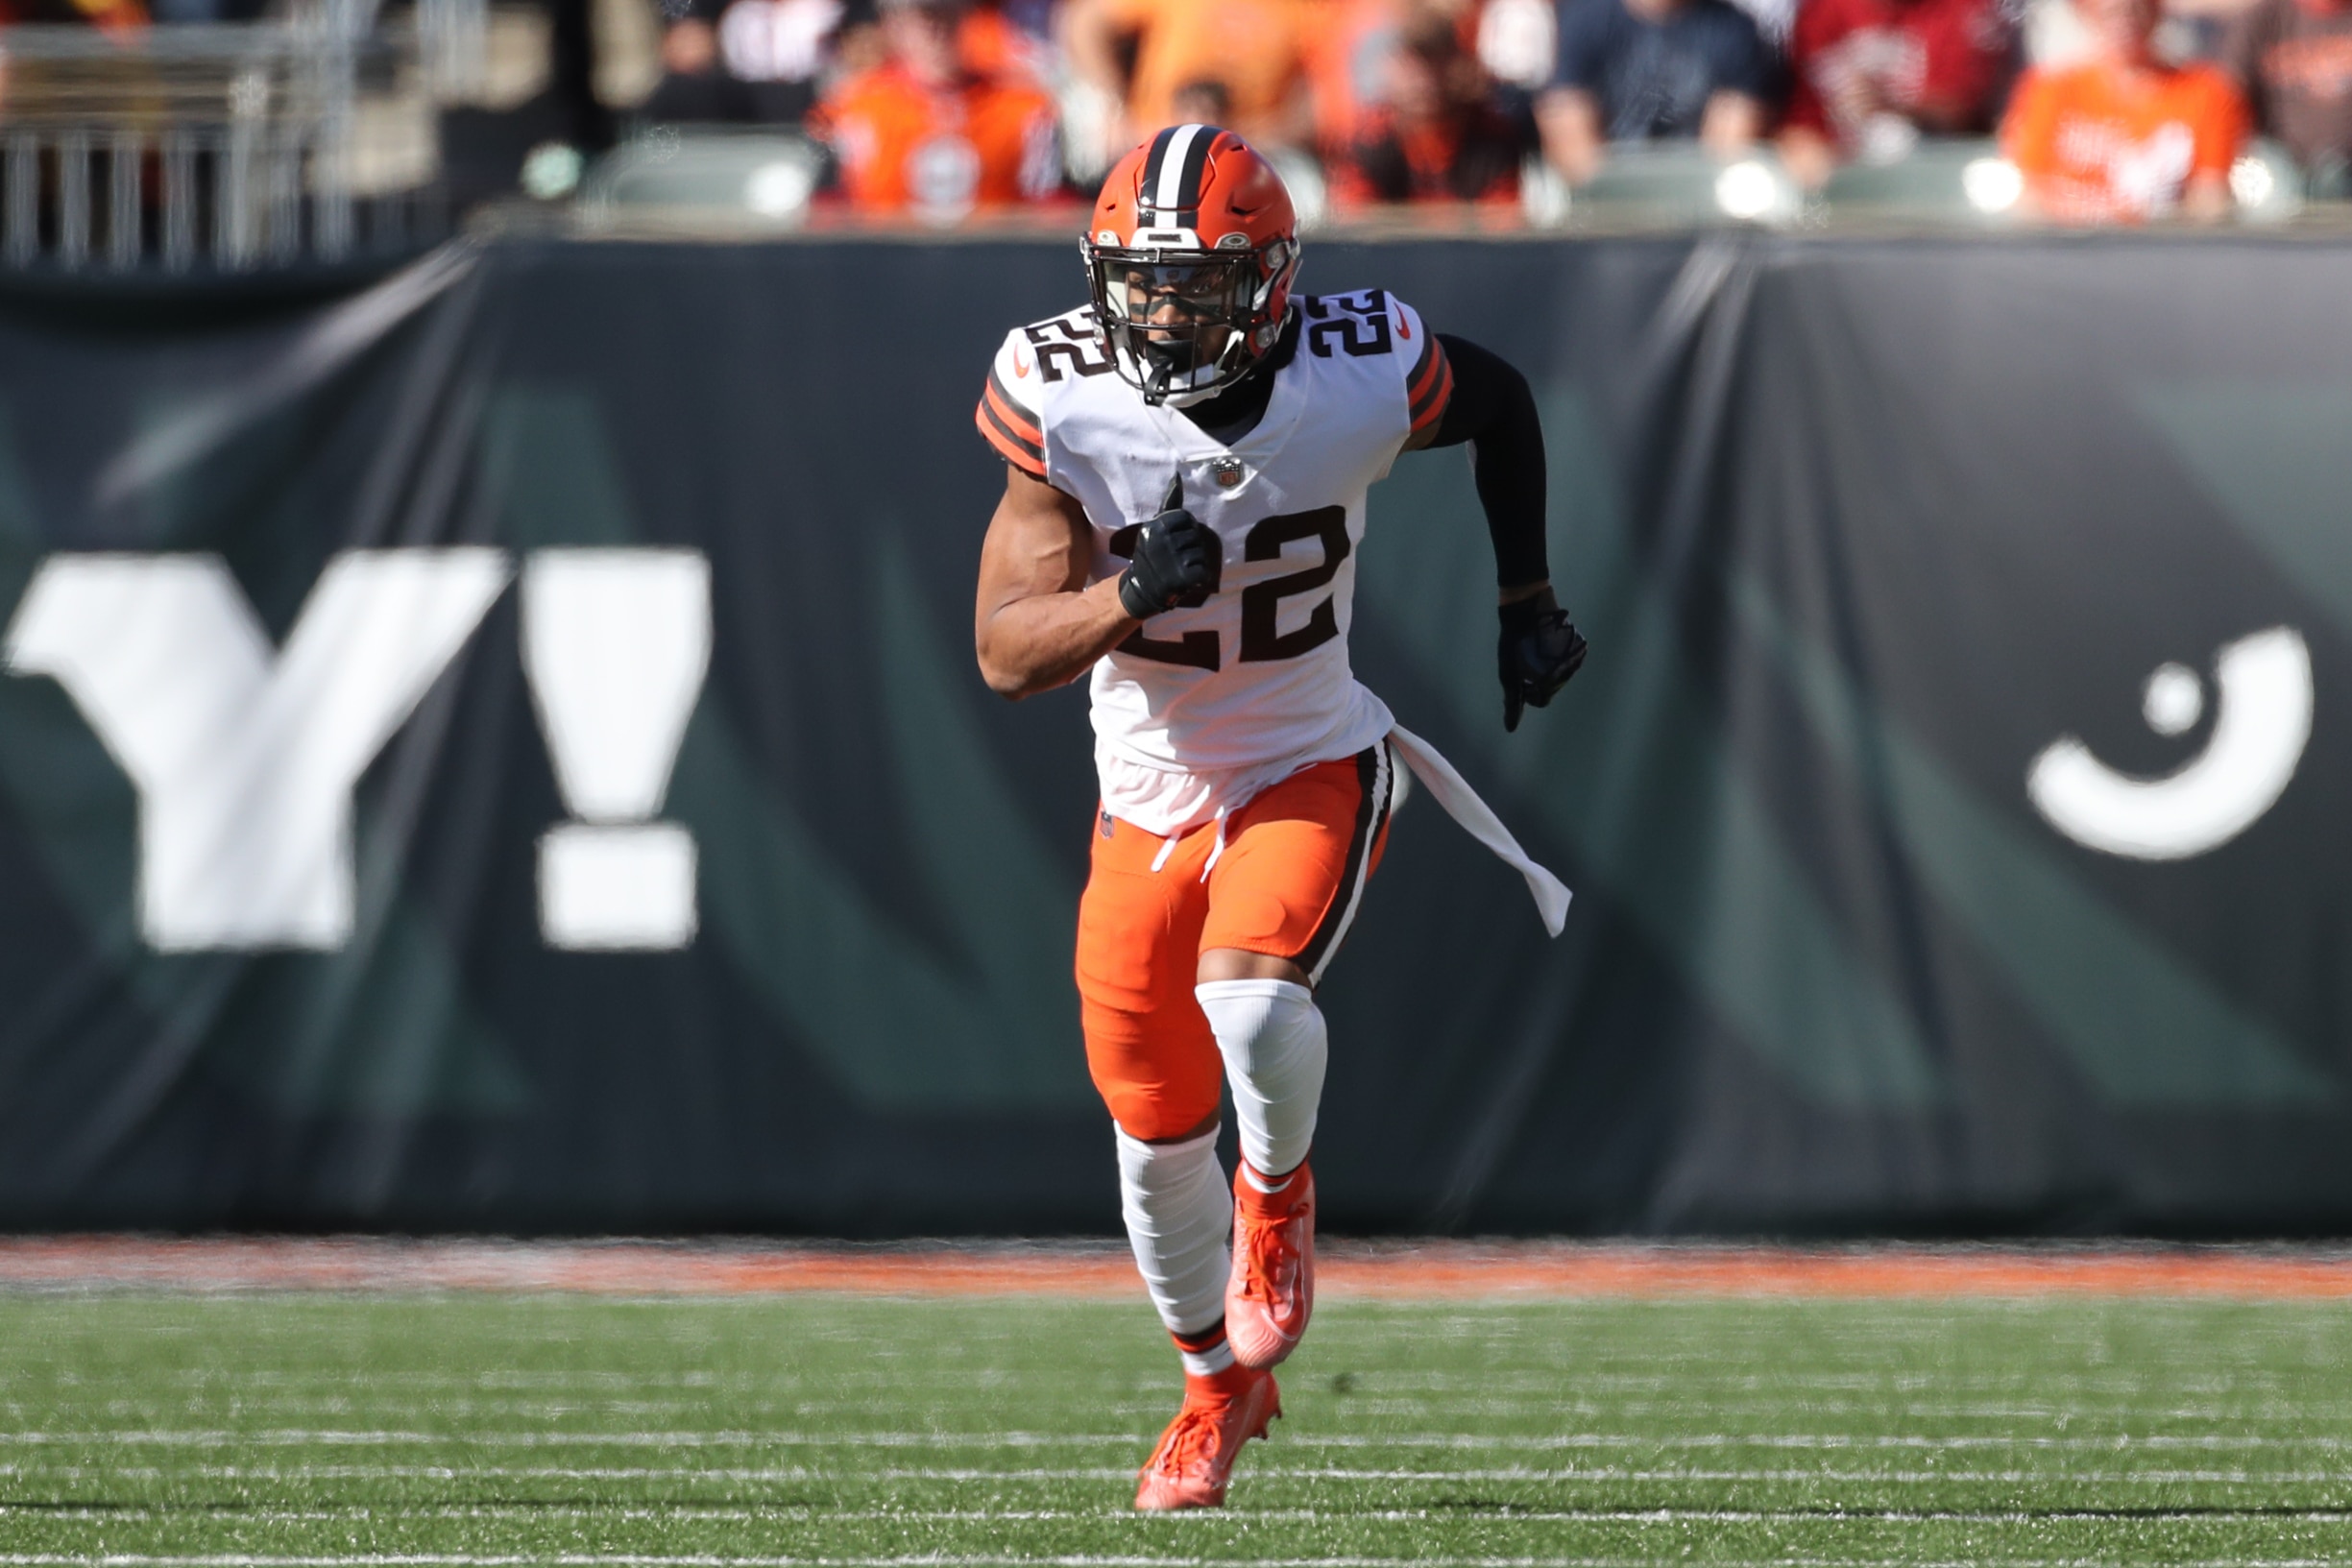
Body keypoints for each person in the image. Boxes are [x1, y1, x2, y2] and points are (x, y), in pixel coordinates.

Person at [970, 125, 1583, 1511]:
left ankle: (1281, 1193)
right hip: (1144, 796)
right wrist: (1129, 594)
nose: (1163, 313)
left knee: (1247, 1002)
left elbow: (1501, 406)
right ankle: (1213, 1395)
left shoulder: (1356, 364)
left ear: (1272, 282)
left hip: (1310, 751)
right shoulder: (1059, 395)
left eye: (1194, 286)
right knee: (1144, 1137)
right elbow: (1006, 653)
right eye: (1140, 283)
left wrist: (1523, 600)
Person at [807, 0, 1062, 218]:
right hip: (884, 264)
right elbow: (829, 211)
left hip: (992, 263)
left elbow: (1051, 210)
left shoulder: (1022, 109)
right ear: (894, 25)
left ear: (966, 18)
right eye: (922, 18)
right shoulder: (853, 109)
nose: (935, 29)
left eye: (946, 14)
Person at [2001, 0, 2247, 220]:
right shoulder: (2049, 90)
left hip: (2163, 252)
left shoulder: (2207, 92)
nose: (2125, 18)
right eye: (2112, 10)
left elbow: (2210, 199)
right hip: (2068, 250)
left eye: (2135, 8)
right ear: (2084, 10)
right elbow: (2029, 196)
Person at [1777, 0, 2016, 185]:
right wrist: (1804, 144)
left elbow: (1961, 112)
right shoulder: (1820, 14)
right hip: (1837, 179)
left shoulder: (1957, 9)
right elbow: (1798, 116)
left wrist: (1888, 105)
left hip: (1931, 178)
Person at [1538, 0, 1776, 182]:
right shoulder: (1582, 21)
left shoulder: (1734, 30)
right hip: (1605, 210)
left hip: (1697, 206)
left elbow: (1728, 154)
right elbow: (1572, 147)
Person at [1058, 0, 1319, 149]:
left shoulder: (1303, 9)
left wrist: (1258, 139)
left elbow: (1318, 101)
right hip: (1149, 144)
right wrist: (1116, 110)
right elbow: (1084, 23)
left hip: (1248, 160)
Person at [1335, 10, 1533, 202]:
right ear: (1389, 66)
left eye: (1435, 61)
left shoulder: (1491, 140)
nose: (1423, 79)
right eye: (1412, 63)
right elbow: (1353, 223)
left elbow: (1503, 225)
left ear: (1458, 64)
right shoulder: (1371, 141)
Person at [2224, 0, 2352, 184]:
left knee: (2333, 176)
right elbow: (2230, 98)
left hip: (2344, 169)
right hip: (2278, 169)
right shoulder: (2262, 19)